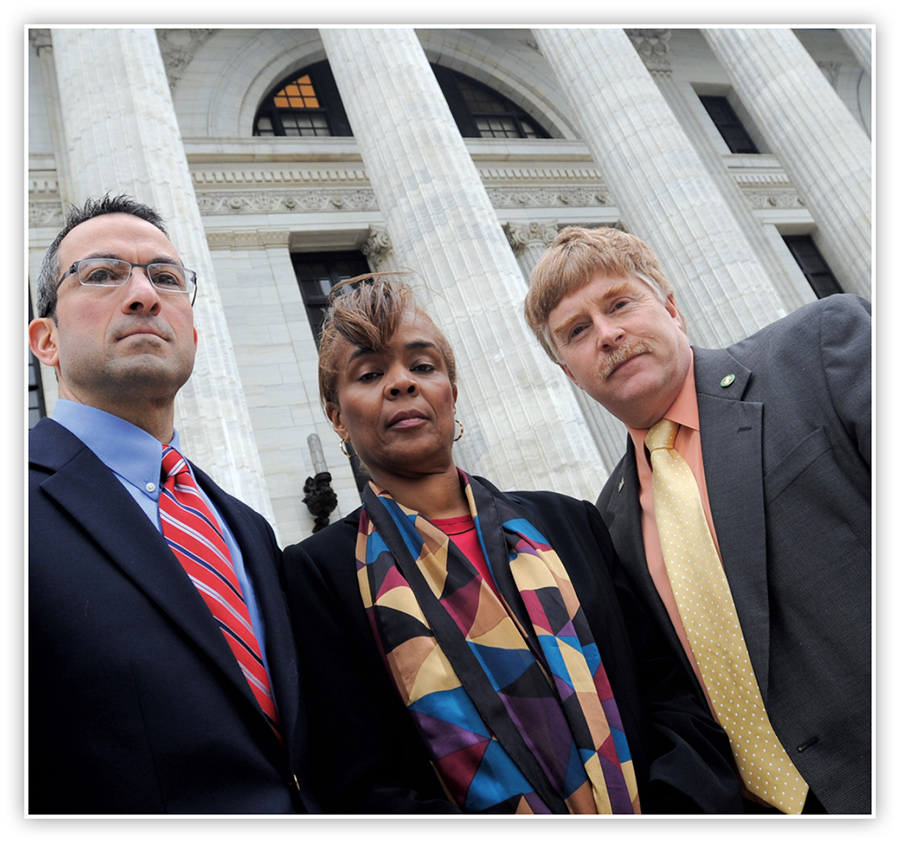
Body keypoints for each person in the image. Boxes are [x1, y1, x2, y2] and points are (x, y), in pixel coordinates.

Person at [281, 273, 744, 815]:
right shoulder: (316, 575)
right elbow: (356, 786)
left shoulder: (570, 522)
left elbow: (669, 691)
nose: (402, 383)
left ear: (450, 393)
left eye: (423, 366)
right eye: (370, 374)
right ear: (337, 415)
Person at [523, 225, 871, 815]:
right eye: (577, 332)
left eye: (619, 304)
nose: (608, 334)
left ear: (671, 308)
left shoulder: (818, 349)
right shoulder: (609, 525)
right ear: (569, 374)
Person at [28, 195, 317, 814]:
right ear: (45, 340)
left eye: (165, 278)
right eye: (102, 275)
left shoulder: (249, 530)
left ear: (193, 330)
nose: (143, 295)